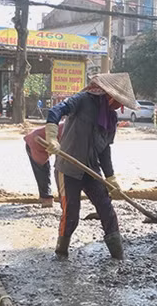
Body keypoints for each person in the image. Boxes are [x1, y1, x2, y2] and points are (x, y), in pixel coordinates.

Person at [42, 73, 138, 259]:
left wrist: (111, 178)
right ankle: (61, 253)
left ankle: (118, 256)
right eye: (118, 101)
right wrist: (52, 137)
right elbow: (55, 111)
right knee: (71, 214)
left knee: (106, 209)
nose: (120, 106)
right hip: (68, 167)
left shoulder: (110, 118)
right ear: (109, 95)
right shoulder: (82, 100)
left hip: (92, 169)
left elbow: (104, 150)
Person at [23, 123, 64, 207]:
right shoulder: (69, 129)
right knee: (42, 171)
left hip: (51, 141)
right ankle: (46, 198)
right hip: (35, 142)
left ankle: (53, 197)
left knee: (56, 169)